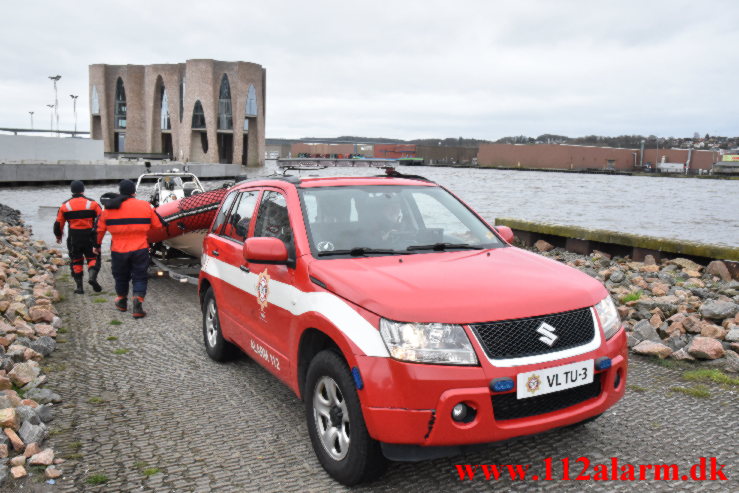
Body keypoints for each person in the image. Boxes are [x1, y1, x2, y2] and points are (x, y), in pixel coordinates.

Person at [95, 179, 163, 319]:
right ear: (134, 192)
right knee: (140, 276)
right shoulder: (145, 206)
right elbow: (158, 226)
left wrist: (97, 246)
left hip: (118, 249)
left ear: (119, 192)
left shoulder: (108, 208)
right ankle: (138, 302)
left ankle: (121, 301)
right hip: (140, 248)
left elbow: (99, 230)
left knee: (120, 276)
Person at [53, 180, 103, 294]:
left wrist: (58, 236)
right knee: (93, 258)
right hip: (90, 236)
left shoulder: (65, 206)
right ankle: (92, 278)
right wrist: (99, 237)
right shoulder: (93, 204)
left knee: (76, 260)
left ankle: (79, 288)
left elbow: (58, 224)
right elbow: (102, 220)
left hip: (73, 237)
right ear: (83, 190)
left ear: (71, 191)